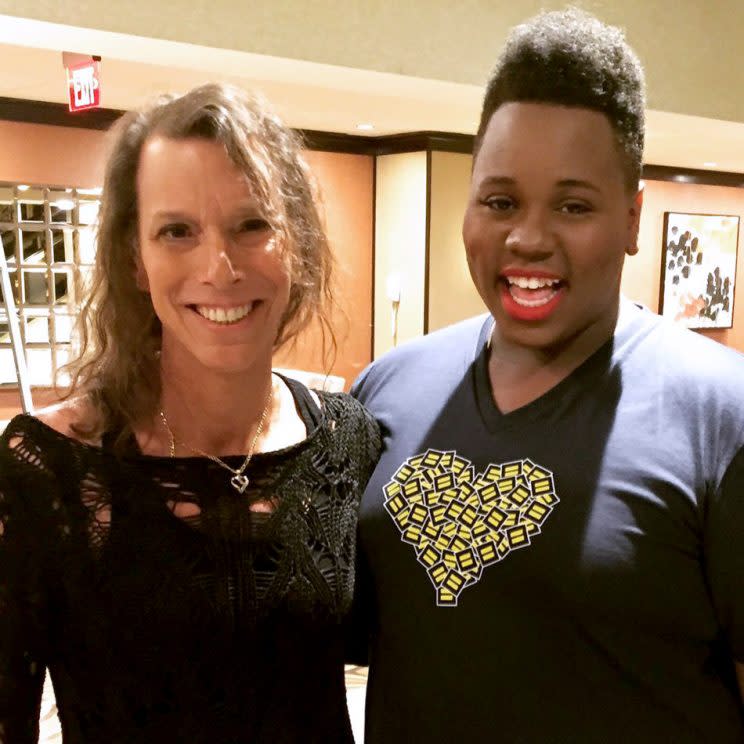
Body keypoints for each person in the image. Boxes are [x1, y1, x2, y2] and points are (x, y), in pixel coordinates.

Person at [351, 9, 744, 743]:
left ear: (632, 218)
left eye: (573, 205)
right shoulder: (385, 391)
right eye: (500, 201)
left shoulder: (722, 416)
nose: (528, 238)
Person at [0, 83, 380, 743]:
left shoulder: (347, 440)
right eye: (178, 231)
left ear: (298, 243)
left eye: (252, 224)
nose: (219, 266)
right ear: (135, 261)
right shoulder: (49, 471)